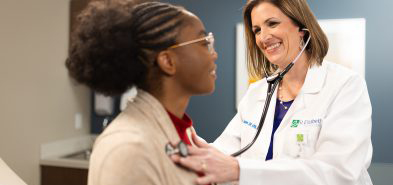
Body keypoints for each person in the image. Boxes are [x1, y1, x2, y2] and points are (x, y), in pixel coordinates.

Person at [171, 0, 373, 185]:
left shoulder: (345, 85)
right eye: (257, 30)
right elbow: (225, 151)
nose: (263, 37)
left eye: (273, 23)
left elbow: (338, 172)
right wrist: (183, 142)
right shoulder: (257, 92)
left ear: (301, 28)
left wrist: (240, 170)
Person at [66, 0, 218, 185]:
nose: (213, 54)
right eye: (203, 42)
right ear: (168, 61)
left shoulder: (183, 131)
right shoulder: (127, 149)